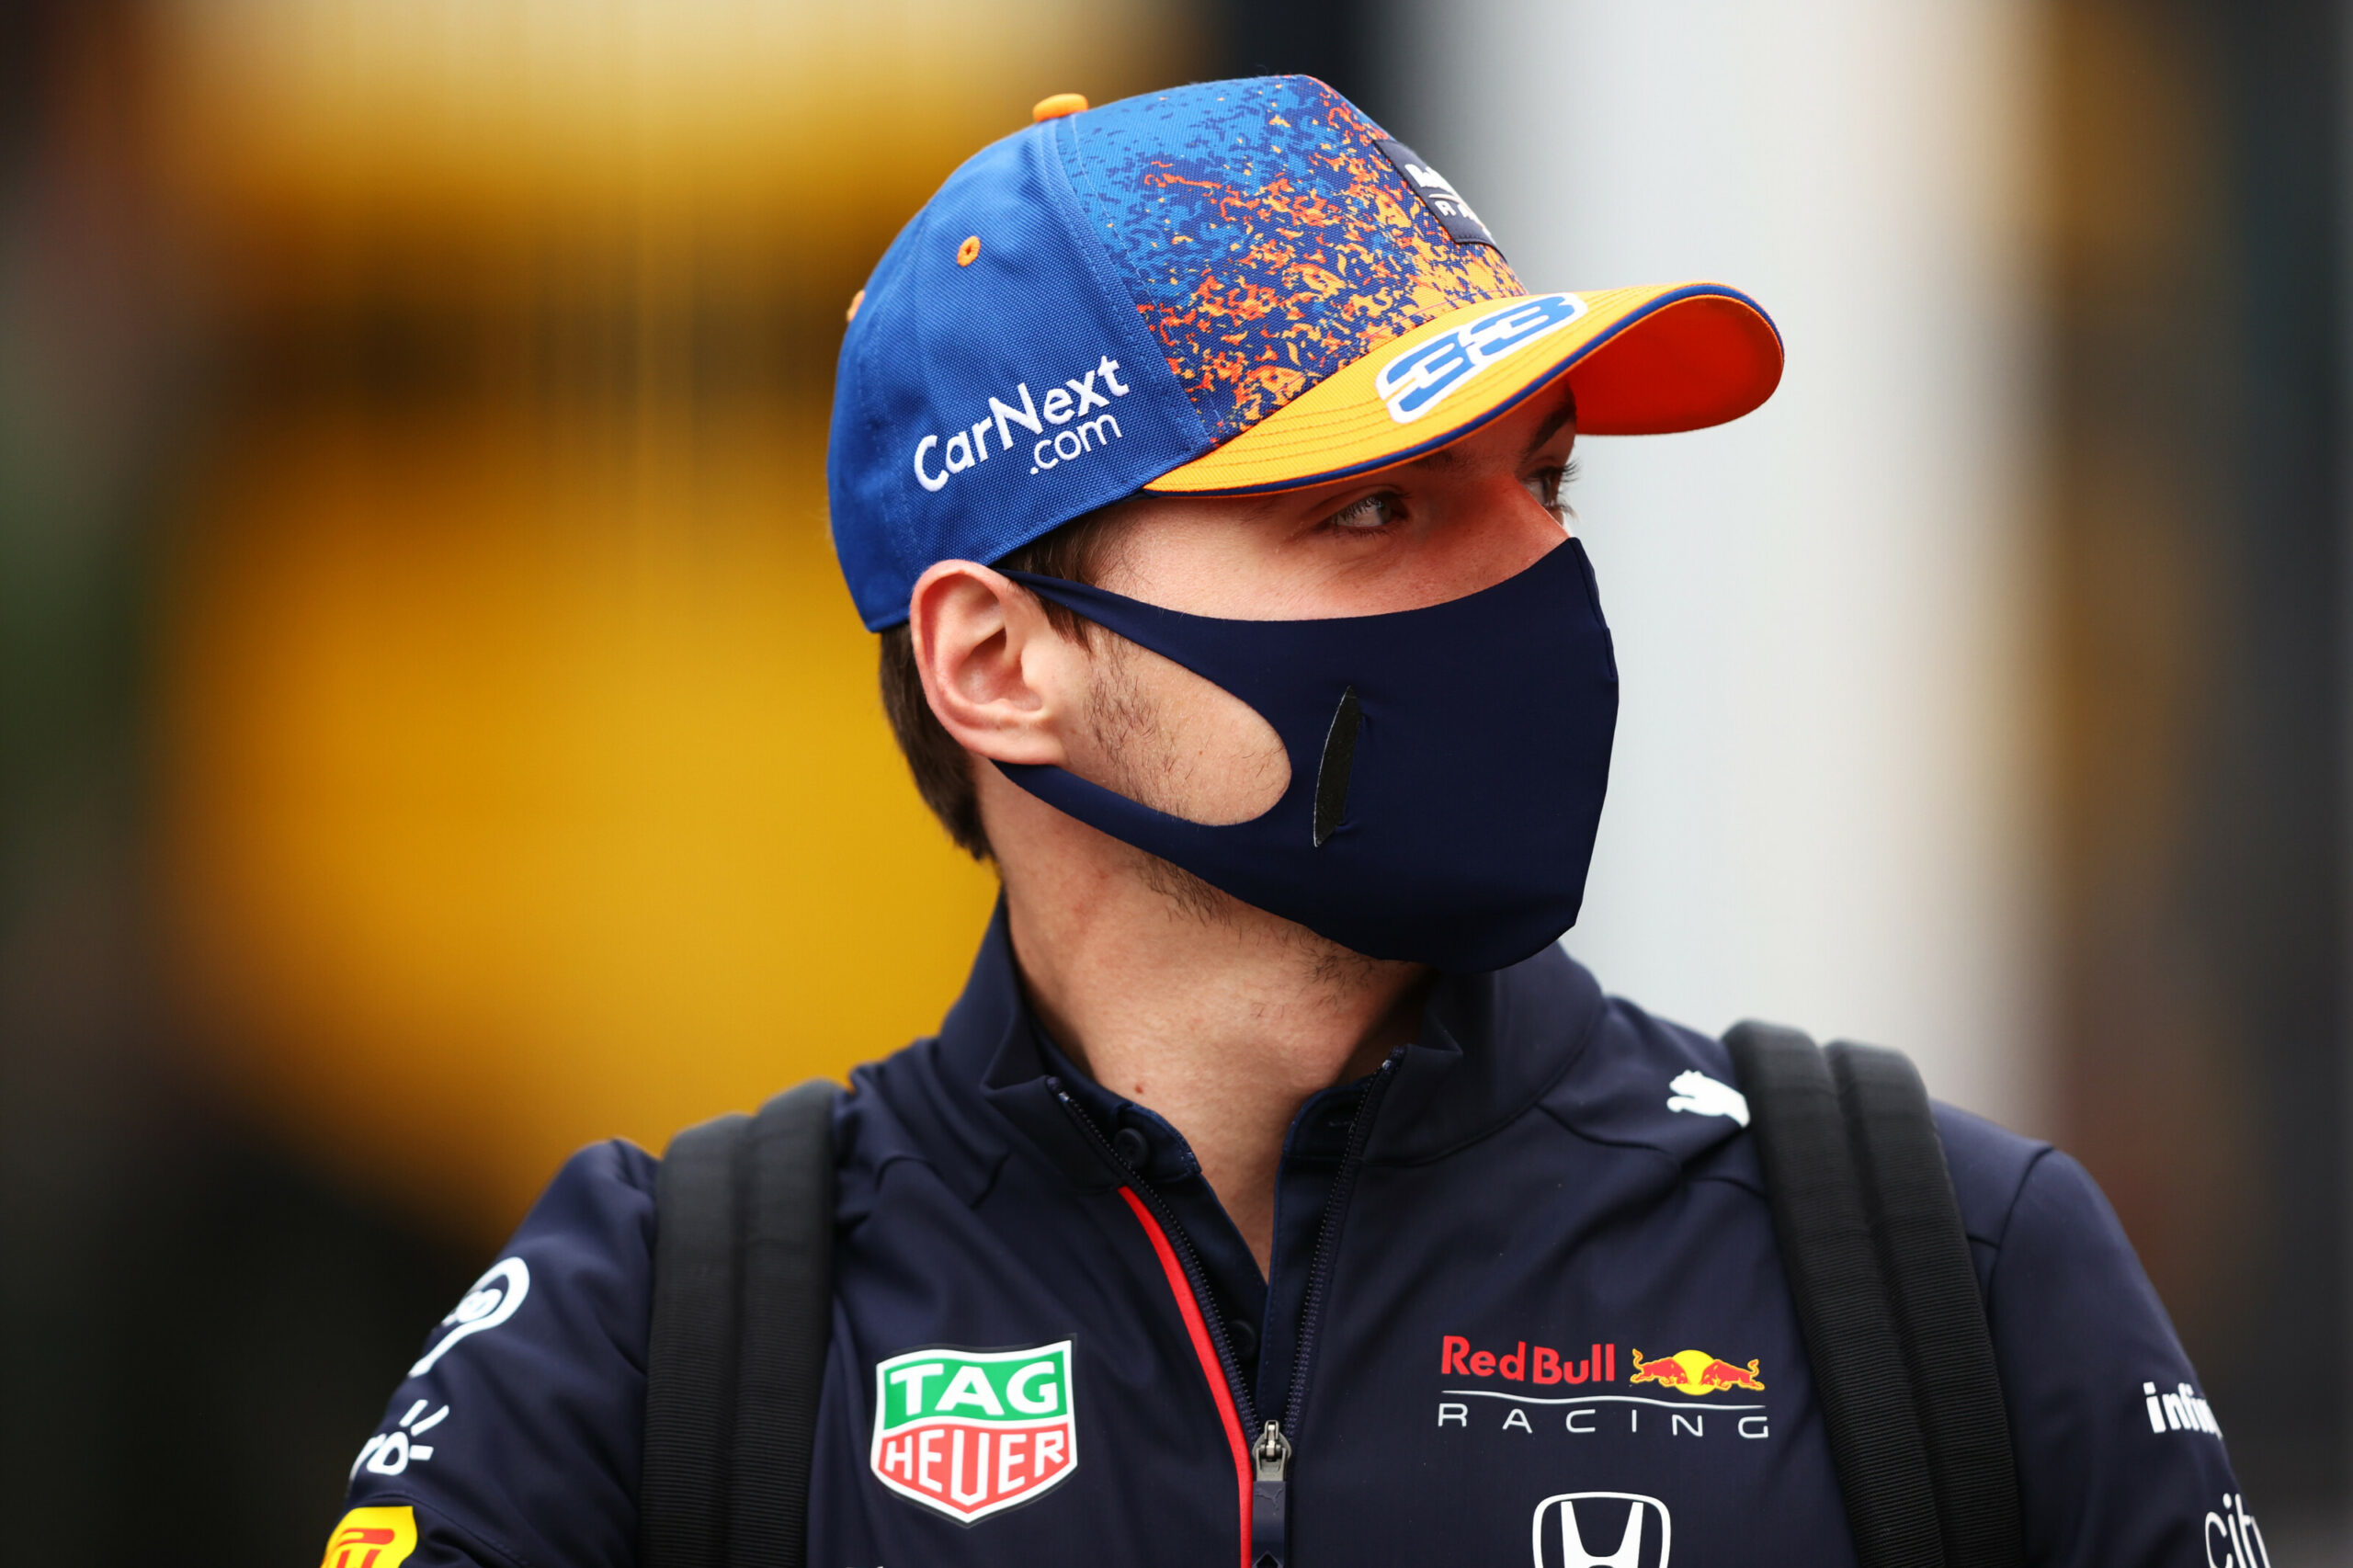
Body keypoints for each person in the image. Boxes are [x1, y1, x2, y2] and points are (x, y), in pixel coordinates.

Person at [321, 75, 2256, 1568]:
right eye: (1371, 507)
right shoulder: (664, 1339)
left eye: (1543, 481)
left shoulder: (1935, 1268)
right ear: (999, 660)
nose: (1534, 580)